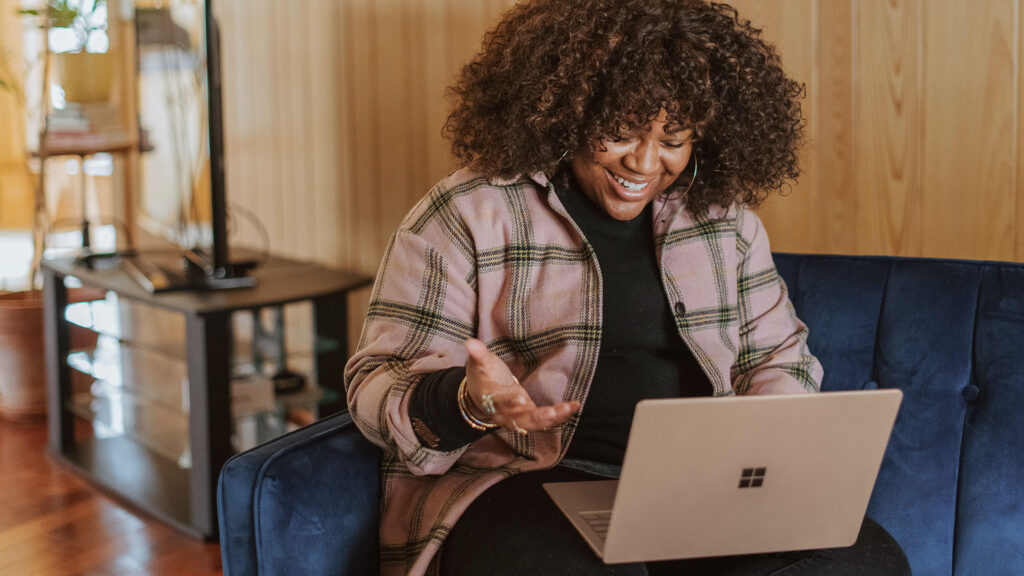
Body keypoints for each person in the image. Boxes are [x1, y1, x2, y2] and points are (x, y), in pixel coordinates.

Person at [344, 1, 911, 575]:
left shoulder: (724, 221)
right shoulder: (468, 212)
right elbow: (376, 385)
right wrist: (468, 401)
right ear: (569, 112)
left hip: (696, 490)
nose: (643, 162)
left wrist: (763, 452)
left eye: (673, 138)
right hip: (523, 481)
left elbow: (778, 358)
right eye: (619, 132)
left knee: (869, 563)